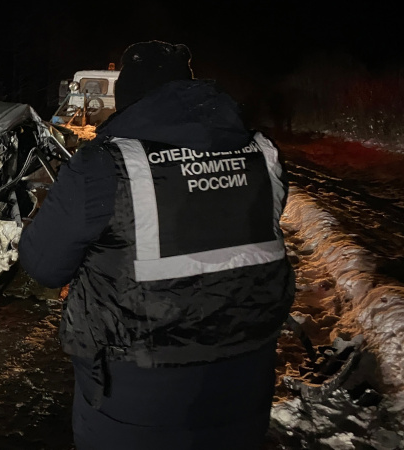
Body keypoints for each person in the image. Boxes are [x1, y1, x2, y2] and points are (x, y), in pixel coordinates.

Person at [18, 41, 295, 449]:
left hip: (135, 404)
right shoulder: (263, 154)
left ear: (128, 96)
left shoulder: (104, 165)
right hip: (246, 385)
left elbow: (43, 264)